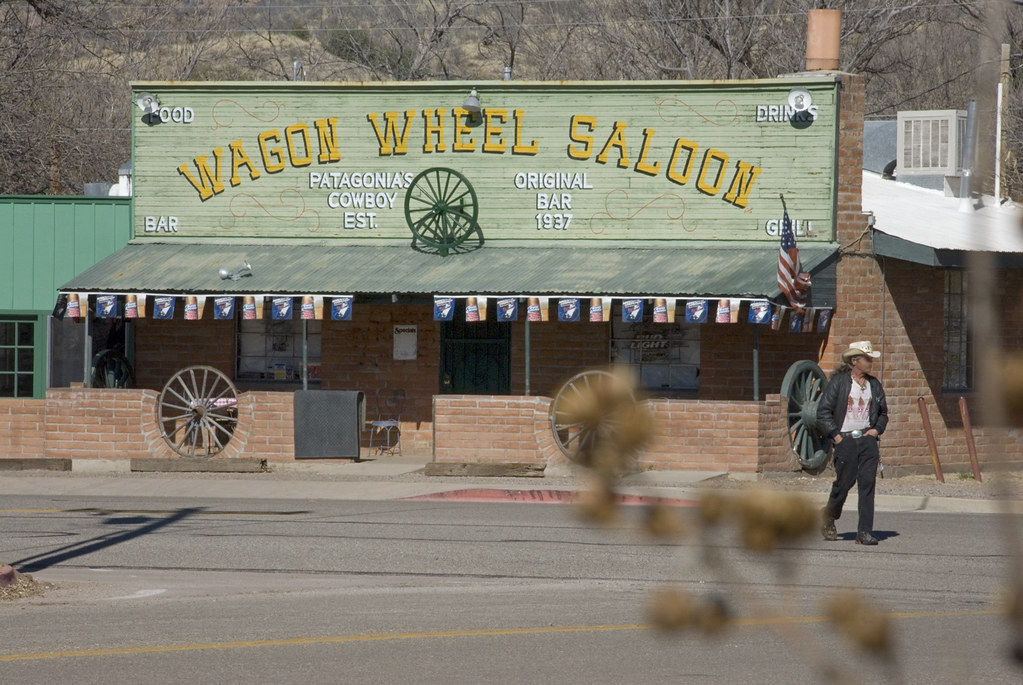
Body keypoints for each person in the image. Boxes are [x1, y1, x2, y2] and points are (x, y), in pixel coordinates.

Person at [816, 340, 889, 545]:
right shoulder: (839, 383)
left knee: (867, 484)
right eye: (866, 358)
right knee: (844, 484)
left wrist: (875, 431)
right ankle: (829, 516)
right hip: (846, 440)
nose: (870, 362)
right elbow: (822, 413)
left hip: (867, 440)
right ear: (855, 361)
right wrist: (836, 437)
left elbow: (883, 413)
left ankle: (864, 532)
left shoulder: (874, 385)